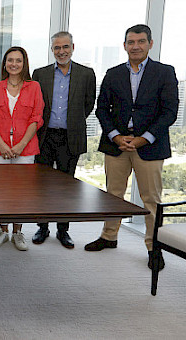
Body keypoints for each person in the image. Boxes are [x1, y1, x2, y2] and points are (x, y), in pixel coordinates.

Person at [84, 24, 178, 271]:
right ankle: (109, 236)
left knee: (151, 199)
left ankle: (153, 247)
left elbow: (170, 112)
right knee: (113, 194)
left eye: (141, 41)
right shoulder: (113, 73)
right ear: (124, 45)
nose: (135, 46)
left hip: (150, 145)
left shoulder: (165, 73)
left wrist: (143, 138)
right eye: (131, 42)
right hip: (117, 144)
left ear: (150, 44)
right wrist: (116, 136)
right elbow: (101, 109)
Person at [31, 32, 96, 249]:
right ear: (52, 50)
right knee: (42, 186)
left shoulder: (87, 74)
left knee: (67, 187)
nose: (61, 51)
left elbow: (88, 105)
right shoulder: (40, 74)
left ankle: (63, 230)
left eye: (65, 47)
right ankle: (42, 227)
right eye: (57, 48)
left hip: (70, 137)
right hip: (45, 137)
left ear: (73, 47)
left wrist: (72, 122)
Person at [0, 46, 44, 251]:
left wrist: (19, 146)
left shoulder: (34, 86)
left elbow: (36, 118)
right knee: (1, 192)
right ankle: (3, 230)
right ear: (5, 63)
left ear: (24, 63)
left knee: (21, 192)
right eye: (10, 60)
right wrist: (1, 144)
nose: (14, 64)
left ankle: (18, 232)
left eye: (18, 60)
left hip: (25, 149)